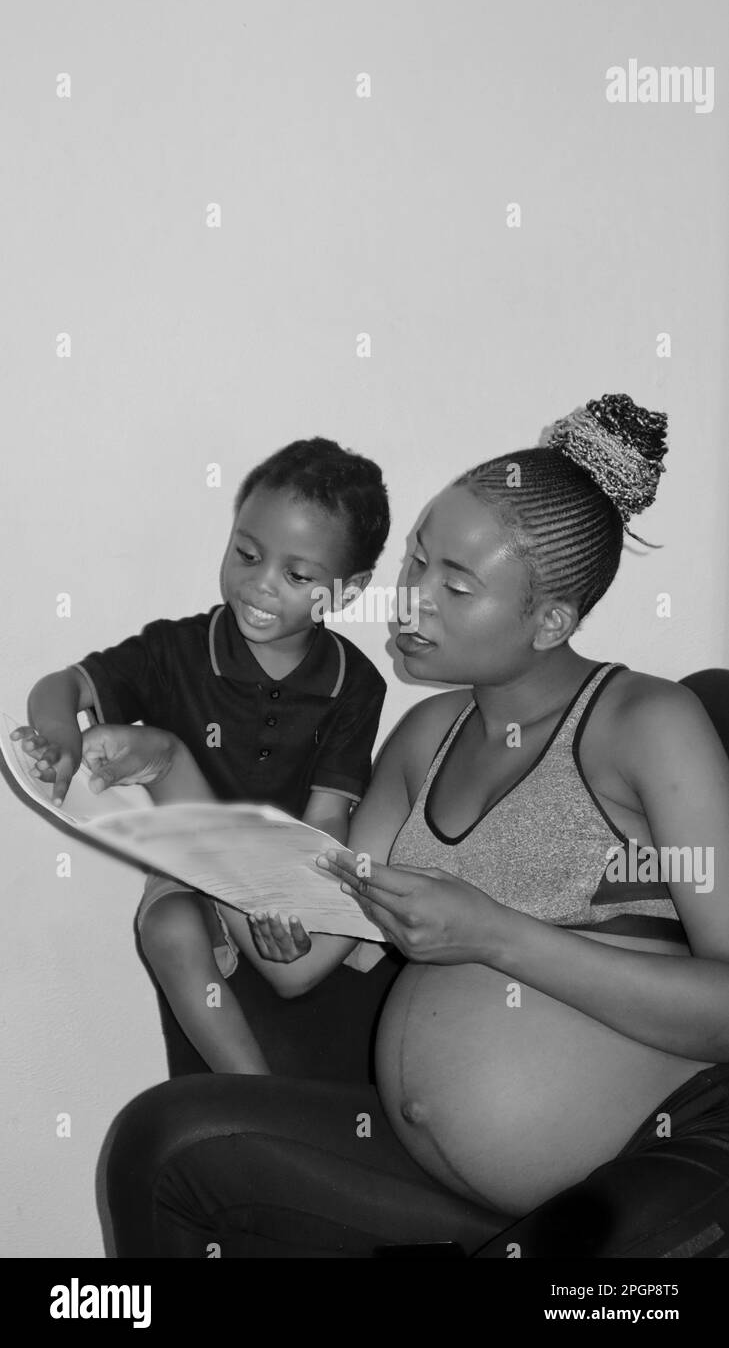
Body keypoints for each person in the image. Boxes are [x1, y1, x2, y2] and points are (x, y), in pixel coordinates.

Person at [101, 394, 729, 1257]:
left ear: (548, 621)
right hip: (446, 1176)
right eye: (417, 562)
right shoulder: (423, 739)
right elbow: (305, 960)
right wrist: (174, 772)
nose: (411, 602)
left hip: (651, 1167)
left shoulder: (646, 723)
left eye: (454, 585)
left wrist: (493, 936)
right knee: (166, 1144)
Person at [12, 438, 398, 1076]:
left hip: (286, 882)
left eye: (296, 576)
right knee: (167, 929)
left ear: (347, 591)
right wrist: (59, 738)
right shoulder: (177, 651)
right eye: (247, 553)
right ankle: (252, 1095)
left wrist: (294, 902)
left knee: (335, 966)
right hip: (193, 874)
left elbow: (329, 818)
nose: (260, 584)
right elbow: (64, 687)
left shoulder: (355, 684)